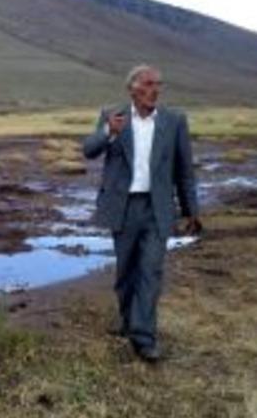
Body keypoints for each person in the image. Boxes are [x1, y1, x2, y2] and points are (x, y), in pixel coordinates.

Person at [83, 64, 201, 363]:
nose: (155, 89)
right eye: (148, 83)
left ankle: (144, 337)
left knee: (151, 271)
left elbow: (184, 171)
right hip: (122, 206)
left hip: (157, 208)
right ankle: (127, 323)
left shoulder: (174, 121)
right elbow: (89, 150)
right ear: (132, 88)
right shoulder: (114, 115)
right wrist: (109, 131)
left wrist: (191, 211)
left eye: (158, 84)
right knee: (126, 273)